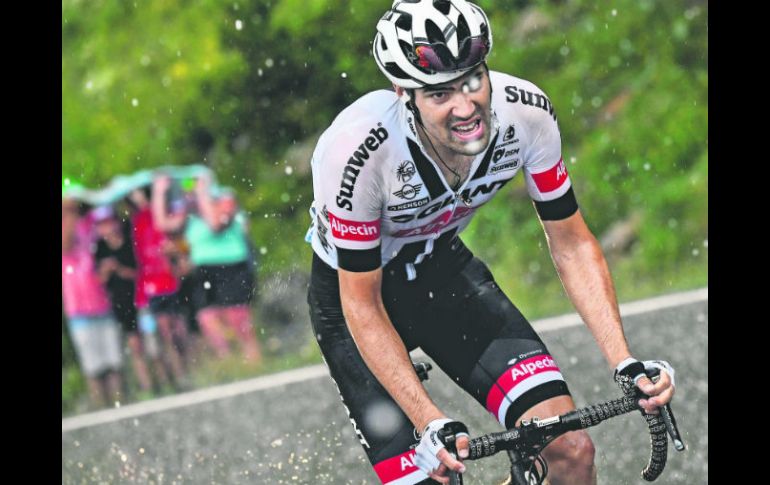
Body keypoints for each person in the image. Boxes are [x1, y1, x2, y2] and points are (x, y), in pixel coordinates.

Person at [304, 1, 676, 484]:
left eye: (472, 80)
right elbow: (362, 303)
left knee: (569, 452)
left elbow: (571, 242)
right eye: (439, 93)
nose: (465, 107)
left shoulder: (526, 114)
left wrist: (624, 361)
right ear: (403, 93)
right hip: (355, 304)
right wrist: (428, 420)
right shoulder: (358, 153)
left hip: (443, 275)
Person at [152, 174, 262, 364]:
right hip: (203, 270)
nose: (189, 192)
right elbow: (162, 224)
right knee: (207, 317)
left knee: (238, 319)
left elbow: (214, 224)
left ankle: (253, 361)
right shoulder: (190, 213)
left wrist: (201, 194)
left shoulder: (225, 197)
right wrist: (159, 192)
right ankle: (228, 363)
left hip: (232, 267)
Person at [62, 197, 124, 409]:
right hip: (79, 312)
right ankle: (102, 410)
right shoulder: (66, 238)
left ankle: (119, 407)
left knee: (114, 362)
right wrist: (70, 210)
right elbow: (66, 242)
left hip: (102, 306)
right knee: (93, 368)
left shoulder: (88, 229)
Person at [92, 205, 155, 396]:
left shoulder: (130, 241)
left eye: (109, 222)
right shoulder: (99, 249)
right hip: (120, 305)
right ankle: (146, 386)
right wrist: (105, 270)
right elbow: (98, 280)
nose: (107, 227)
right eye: (102, 224)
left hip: (141, 301)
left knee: (153, 345)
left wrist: (118, 268)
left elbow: (140, 273)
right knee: (134, 347)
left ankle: (164, 380)